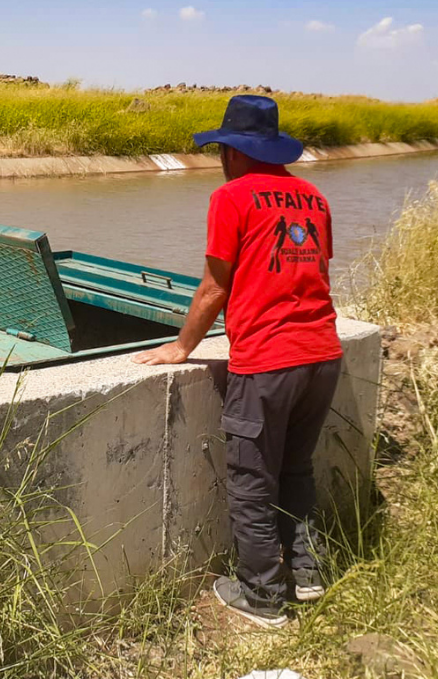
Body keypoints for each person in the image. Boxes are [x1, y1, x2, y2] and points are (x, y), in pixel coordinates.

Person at [133, 95, 343, 629]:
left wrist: (182, 347)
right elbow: (311, 269)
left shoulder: (232, 197)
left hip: (268, 361)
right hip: (322, 354)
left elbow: (213, 287)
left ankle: (263, 598)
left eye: (221, 149)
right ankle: (307, 573)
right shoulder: (313, 197)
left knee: (252, 482)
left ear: (233, 152)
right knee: (295, 467)